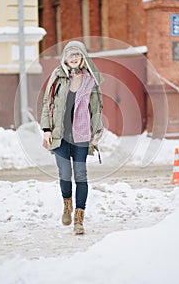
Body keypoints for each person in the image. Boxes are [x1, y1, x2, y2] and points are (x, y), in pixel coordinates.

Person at [40, 40, 104, 235]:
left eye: (77, 55)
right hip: (60, 134)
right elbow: (47, 102)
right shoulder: (58, 76)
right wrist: (46, 129)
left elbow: (96, 108)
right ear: (65, 58)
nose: (74, 58)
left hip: (81, 135)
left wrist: (96, 133)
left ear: (83, 57)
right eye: (70, 55)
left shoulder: (90, 79)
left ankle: (79, 218)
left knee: (81, 175)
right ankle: (67, 205)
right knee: (65, 174)